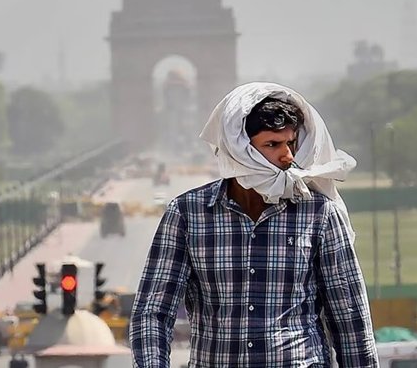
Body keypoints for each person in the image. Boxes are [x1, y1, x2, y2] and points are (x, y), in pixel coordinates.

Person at [129, 82, 378, 367]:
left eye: (291, 143)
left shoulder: (319, 215)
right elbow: (152, 313)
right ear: (239, 150)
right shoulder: (188, 214)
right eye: (272, 145)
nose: (287, 157)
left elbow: (349, 318)